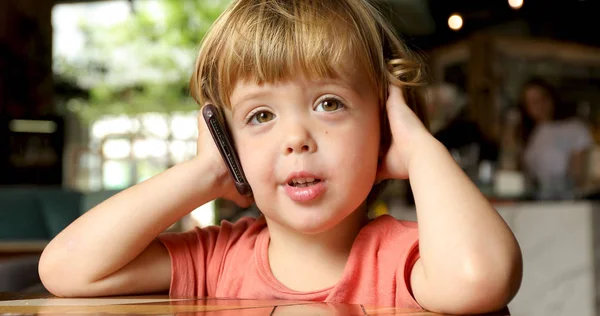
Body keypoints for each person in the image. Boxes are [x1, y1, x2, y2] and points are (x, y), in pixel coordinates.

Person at [38, 0, 522, 314]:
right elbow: (68, 269)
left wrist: (419, 152)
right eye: (260, 115)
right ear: (226, 139)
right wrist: (203, 173)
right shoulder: (219, 259)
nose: (295, 138)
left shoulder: (406, 260)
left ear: (386, 129)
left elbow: (480, 280)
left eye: (329, 104)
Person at [519, 77, 593, 199]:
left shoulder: (574, 128)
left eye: (542, 99)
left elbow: (579, 175)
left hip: (567, 201)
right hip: (537, 200)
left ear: (551, 98)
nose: (538, 106)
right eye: (531, 102)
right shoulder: (531, 133)